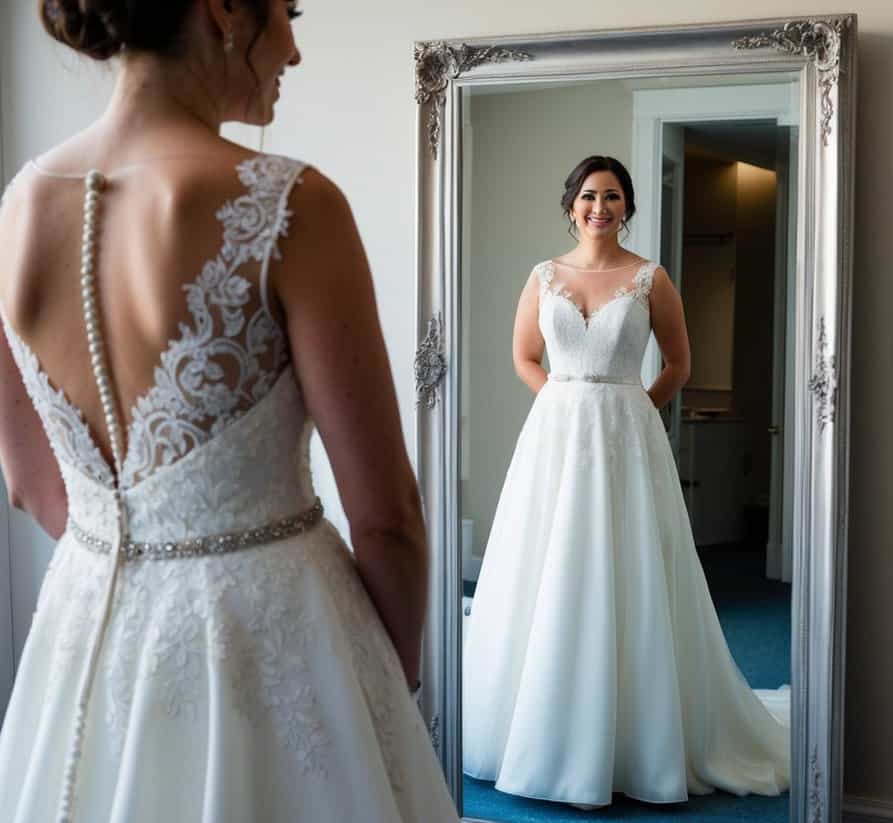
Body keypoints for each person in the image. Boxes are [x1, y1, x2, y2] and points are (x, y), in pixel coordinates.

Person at [0, 1, 457, 820]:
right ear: (222, 11)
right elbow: (388, 517)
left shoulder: (17, 208)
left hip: (84, 641)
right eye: (287, 12)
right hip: (272, 636)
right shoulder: (294, 206)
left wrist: (137, 553)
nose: (294, 47)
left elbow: (34, 487)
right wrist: (391, 682)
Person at [461, 155, 790, 808]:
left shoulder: (650, 278)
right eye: (589, 195)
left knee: (625, 564)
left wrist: (638, 405)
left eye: (612, 196)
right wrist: (560, 398)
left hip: (624, 433)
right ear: (571, 204)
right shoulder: (544, 276)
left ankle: (633, 736)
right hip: (555, 436)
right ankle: (538, 728)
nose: (600, 207)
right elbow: (525, 356)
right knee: (548, 562)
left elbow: (681, 361)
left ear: (627, 206)